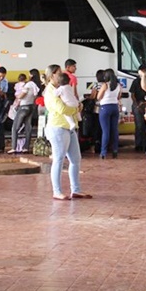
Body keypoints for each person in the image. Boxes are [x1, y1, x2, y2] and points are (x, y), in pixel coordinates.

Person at [43, 64, 91, 201]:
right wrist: (76, 109)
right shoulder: (50, 91)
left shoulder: (61, 88)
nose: (62, 75)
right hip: (58, 127)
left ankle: (76, 190)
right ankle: (56, 191)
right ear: (52, 75)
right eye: (59, 73)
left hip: (69, 128)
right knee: (58, 159)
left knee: (76, 159)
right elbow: (62, 109)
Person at [10, 69, 39, 153]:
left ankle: (14, 147)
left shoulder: (28, 84)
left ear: (31, 76)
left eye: (29, 75)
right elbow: (35, 96)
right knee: (28, 128)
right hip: (31, 107)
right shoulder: (35, 85)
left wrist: (18, 96)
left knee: (15, 127)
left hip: (23, 107)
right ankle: (26, 147)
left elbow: (22, 95)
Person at [97, 68, 121, 159]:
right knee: (114, 130)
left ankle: (103, 152)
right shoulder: (118, 85)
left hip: (105, 108)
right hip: (115, 107)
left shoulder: (105, 85)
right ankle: (115, 151)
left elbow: (99, 97)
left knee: (105, 131)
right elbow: (119, 96)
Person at [129, 64, 146, 152]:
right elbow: (132, 95)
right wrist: (136, 104)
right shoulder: (135, 82)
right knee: (139, 125)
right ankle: (138, 144)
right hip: (137, 104)